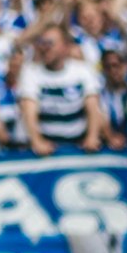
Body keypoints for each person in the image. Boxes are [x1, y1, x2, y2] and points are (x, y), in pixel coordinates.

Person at [16, 27, 106, 156]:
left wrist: (92, 137)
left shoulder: (83, 70)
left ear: (65, 47)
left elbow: (93, 107)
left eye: (50, 43)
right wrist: (37, 141)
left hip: (78, 147)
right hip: (49, 150)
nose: (45, 47)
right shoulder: (31, 72)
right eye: (42, 43)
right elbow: (29, 111)